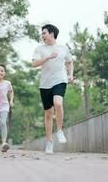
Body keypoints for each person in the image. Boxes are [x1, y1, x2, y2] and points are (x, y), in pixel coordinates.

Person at [32, 24, 74, 154]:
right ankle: (49, 142)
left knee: (58, 103)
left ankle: (60, 130)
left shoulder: (63, 48)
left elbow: (69, 62)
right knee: (48, 113)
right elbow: (34, 64)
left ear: (51, 34)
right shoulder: (40, 49)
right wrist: (48, 57)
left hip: (60, 81)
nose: (42, 35)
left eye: (44, 33)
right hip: (45, 84)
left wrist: (70, 75)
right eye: (42, 33)